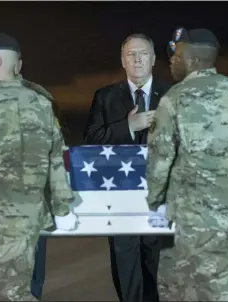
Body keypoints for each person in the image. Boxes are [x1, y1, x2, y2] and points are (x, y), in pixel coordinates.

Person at [0, 32, 79, 301]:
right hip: (32, 214)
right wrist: (62, 209)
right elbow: (56, 161)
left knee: (6, 293)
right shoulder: (43, 105)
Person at [145, 27, 228, 301]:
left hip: (188, 215)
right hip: (224, 210)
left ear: (192, 59)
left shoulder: (174, 99)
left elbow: (160, 158)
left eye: (176, 55)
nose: (172, 61)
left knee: (215, 288)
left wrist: (155, 202)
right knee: (178, 285)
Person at [83, 33, 171, 302]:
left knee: (159, 270)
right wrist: (128, 128)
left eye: (143, 53)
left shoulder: (173, 96)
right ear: (122, 61)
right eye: (131, 54)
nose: (137, 59)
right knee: (126, 271)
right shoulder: (106, 97)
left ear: (154, 59)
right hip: (121, 200)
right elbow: (90, 143)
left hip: (163, 199)